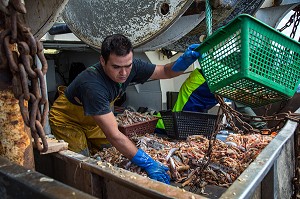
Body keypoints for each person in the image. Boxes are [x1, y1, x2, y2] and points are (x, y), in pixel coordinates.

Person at [49, 34, 202, 184]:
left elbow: (165, 71)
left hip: (92, 120)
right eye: (116, 67)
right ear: (102, 61)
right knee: (81, 162)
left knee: (112, 152)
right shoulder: (92, 86)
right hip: (68, 120)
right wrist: (148, 163)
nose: (123, 73)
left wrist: (183, 61)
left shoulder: (133, 66)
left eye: (127, 66)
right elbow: (114, 135)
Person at [156, 68, 266, 133]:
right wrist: (262, 127)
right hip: (199, 85)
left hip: (207, 88)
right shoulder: (239, 75)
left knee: (192, 123)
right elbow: (242, 105)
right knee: (180, 119)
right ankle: (156, 125)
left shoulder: (243, 76)